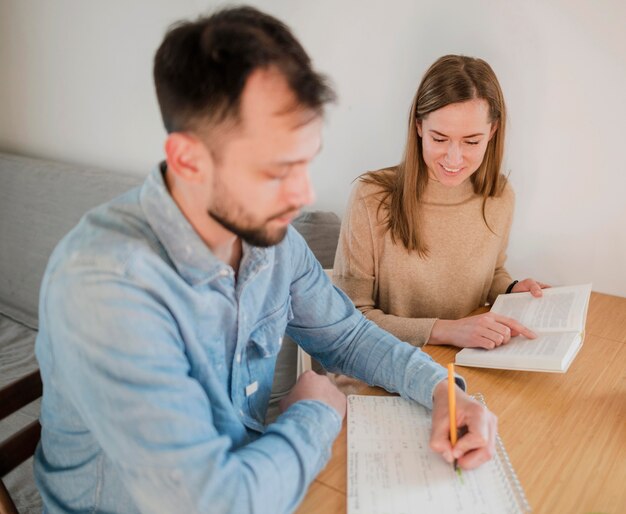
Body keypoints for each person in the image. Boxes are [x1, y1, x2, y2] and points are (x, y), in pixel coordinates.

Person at [34, 10, 496, 514]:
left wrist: (443, 393)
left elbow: (347, 335)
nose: (302, 194)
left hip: (258, 470)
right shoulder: (106, 287)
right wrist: (314, 413)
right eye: (277, 170)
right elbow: (217, 505)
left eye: (306, 160)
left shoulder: (267, 239)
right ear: (189, 159)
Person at [333, 55, 548, 350]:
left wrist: (512, 289)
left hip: (463, 364)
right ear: (419, 126)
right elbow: (348, 320)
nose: (454, 159)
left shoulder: (499, 195)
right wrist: (446, 331)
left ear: (492, 132)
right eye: (439, 138)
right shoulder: (371, 198)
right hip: (382, 371)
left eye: (471, 142)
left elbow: (491, 273)